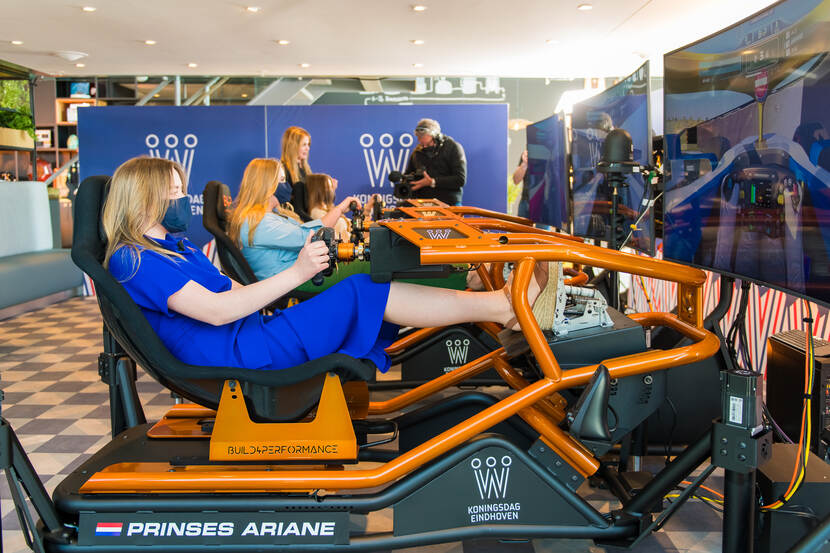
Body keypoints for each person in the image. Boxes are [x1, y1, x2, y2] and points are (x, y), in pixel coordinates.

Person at [103, 156, 548, 373]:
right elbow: (217, 311)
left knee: (366, 288)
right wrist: (296, 274)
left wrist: (289, 286)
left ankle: (496, 303)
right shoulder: (132, 258)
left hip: (251, 333)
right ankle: (499, 305)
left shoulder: (173, 248)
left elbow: (231, 295)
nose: (183, 198)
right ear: (144, 196)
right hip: (237, 354)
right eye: (174, 191)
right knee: (363, 289)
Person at [227, 158, 358, 281]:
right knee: (364, 270)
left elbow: (303, 229)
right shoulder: (258, 222)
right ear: (267, 186)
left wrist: (339, 210)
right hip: (292, 281)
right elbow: (312, 236)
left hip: (299, 275)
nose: (288, 186)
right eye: (282, 180)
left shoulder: (270, 216)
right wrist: (339, 209)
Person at [404, 118, 467, 206]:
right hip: (423, 204)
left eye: (423, 137)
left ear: (435, 136)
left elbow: (460, 179)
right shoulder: (417, 152)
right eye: (418, 137)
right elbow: (409, 176)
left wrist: (433, 182)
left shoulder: (453, 148)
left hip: (449, 202)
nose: (421, 142)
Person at [280, 126, 313, 221]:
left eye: (308, 145)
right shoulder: (283, 171)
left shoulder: (306, 171)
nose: (307, 148)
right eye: (304, 145)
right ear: (293, 146)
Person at [306, 173, 350, 242]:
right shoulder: (316, 212)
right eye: (328, 187)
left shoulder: (328, 208)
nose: (331, 190)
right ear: (319, 189)